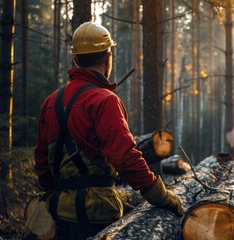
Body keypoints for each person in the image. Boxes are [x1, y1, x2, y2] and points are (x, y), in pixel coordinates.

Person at [34, 22, 183, 239]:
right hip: (97, 214)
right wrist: (158, 194)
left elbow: (41, 160)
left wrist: (54, 198)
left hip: (58, 213)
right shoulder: (105, 101)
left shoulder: (50, 102)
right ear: (108, 57)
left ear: (75, 60)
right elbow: (125, 156)